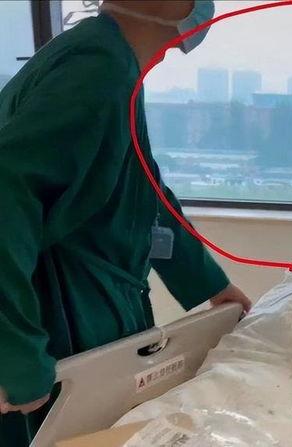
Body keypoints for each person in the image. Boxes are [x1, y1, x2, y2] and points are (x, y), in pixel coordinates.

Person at [0, 1, 251, 445]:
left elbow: (146, 196)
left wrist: (211, 284)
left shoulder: (111, 62)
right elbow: (7, 194)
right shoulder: (97, 71)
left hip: (91, 306)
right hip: (57, 310)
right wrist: (15, 354)